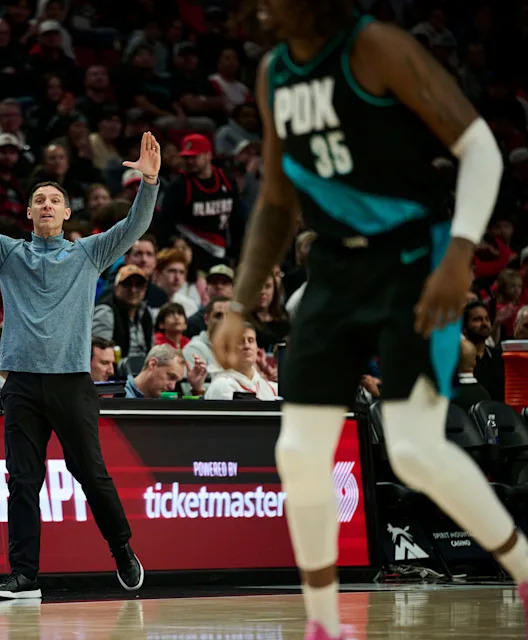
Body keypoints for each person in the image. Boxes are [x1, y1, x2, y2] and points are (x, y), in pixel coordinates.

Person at [212, 3, 527, 639]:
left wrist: (462, 253)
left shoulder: (375, 48)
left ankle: (523, 562)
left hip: (415, 258)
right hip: (334, 270)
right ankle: (324, 623)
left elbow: (482, 151)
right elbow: (276, 202)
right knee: (297, 451)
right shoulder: (276, 73)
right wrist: (239, 303)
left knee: (413, 451)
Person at [0, 131, 161, 598]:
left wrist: (149, 183)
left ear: (66, 213)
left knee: (91, 474)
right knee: (22, 482)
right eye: (38, 200)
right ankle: (25, 577)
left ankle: (122, 549)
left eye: (54, 200)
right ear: (28, 214)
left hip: (71, 383)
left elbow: (133, 228)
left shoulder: (89, 252)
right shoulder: (9, 253)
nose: (46, 205)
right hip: (22, 383)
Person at [206, 323, 278, 400]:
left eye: (251, 340)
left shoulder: (269, 388)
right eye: (240, 341)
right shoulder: (221, 386)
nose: (247, 346)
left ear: (257, 348)